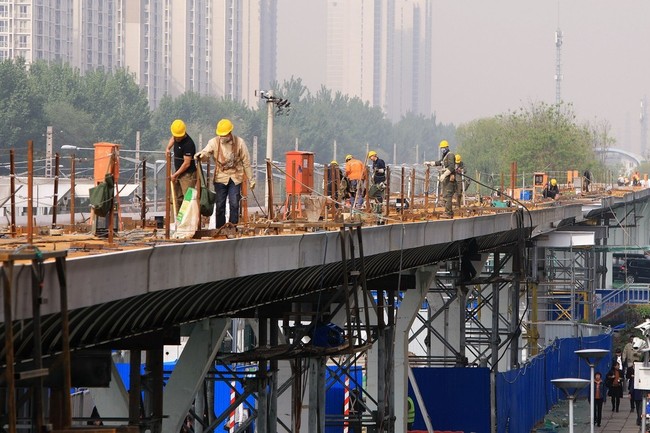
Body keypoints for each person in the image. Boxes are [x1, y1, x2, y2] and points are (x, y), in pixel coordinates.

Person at [195, 118, 254, 228]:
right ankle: (220, 229)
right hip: (220, 177)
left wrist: (251, 179)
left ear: (230, 133)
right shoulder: (214, 142)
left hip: (235, 177)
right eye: (220, 135)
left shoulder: (240, 143)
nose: (222, 137)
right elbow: (206, 152)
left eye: (224, 135)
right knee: (220, 204)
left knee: (234, 203)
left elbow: (246, 162)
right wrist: (201, 156)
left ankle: (232, 227)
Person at [166, 119, 197, 212]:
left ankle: (185, 223)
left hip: (188, 174)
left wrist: (175, 175)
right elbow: (173, 138)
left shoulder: (189, 144)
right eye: (176, 136)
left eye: (179, 137)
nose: (177, 139)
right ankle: (175, 222)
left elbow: (187, 163)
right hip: (178, 173)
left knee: (187, 200)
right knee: (175, 198)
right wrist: (168, 148)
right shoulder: (175, 136)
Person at [425, 140, 456, 218]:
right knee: (445, 195)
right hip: (446, 179)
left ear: (446, 147)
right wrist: (431, 163)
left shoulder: (450, 155)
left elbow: (451, 167)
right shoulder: (445, 156)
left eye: (443, 148)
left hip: (449, 179)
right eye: (441, 148)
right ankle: (449, 212)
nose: (442, 149)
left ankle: (448, 213)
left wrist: (444, 175)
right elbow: (440, 162)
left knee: (447, 195)